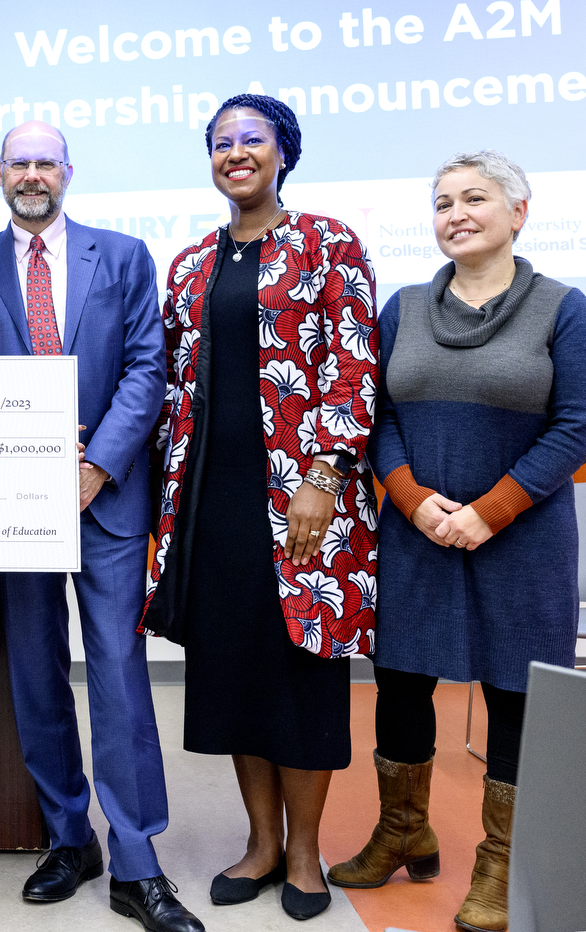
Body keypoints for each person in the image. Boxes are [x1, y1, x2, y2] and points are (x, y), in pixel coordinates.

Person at [0, 121, 202, 932]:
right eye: (18, 162)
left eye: (44, 162)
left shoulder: (122, 256)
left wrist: (97, 468)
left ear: (68, 173)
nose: (32, 174)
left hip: (107, 499)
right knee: (34, 672)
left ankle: (135, 860)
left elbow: (146, 367)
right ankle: (68, 837)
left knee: (121, 676)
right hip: (14, 506)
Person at [330, 150, 586, 932]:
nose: (456, 214)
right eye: (443, 203)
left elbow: (576, 424)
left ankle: (500, 865)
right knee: (401, 681)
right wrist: (411, 501)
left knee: (515, 690)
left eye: (474, 198)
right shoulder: (402, 308)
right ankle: (404, 830)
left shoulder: (563, 308)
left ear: (520, 211)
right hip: (418, 535)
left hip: (523, 538)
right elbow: (376, 419)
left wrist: (489, 511)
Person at [142, 95, 379, 921]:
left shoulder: (327, 244)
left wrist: (322, 473)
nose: (235, 153)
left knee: (303, 679)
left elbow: (354, 366)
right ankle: (262, 842)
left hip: (305, 505)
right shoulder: (190, 264)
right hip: (212, 505)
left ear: (284, 153)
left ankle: (306, 852)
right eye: (220, 143)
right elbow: (171, 386)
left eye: (252, 140)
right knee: (237, 673)